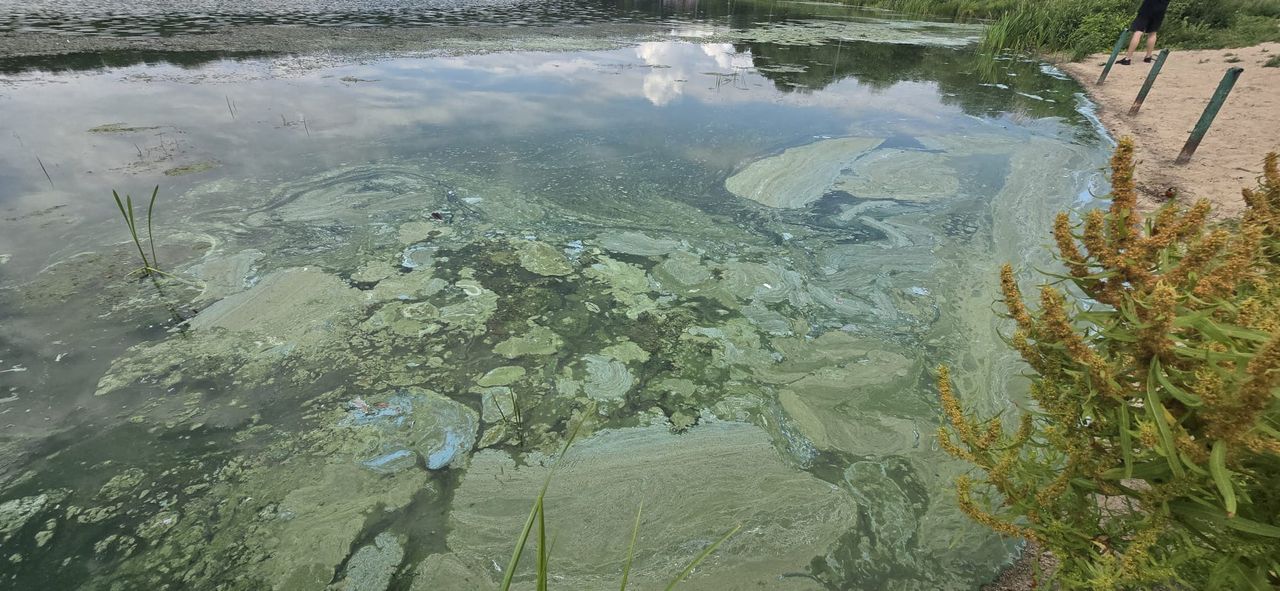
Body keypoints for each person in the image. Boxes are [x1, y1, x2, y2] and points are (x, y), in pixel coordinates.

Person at [1120, 0, 1170, 65]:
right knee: (1153, 32)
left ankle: (1127, 58)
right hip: (1160, 11)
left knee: (1138, 31)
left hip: (1147, 8)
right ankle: (1148, 57)